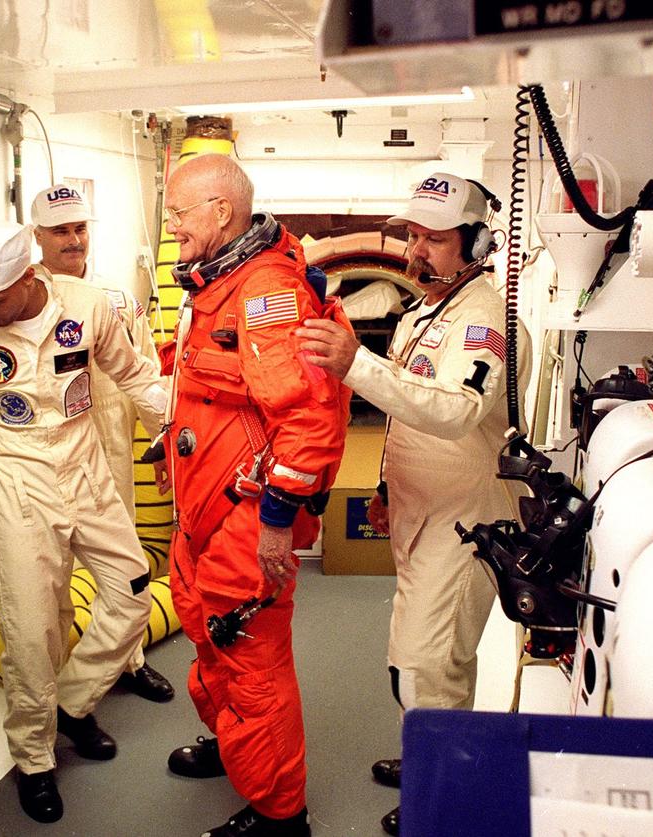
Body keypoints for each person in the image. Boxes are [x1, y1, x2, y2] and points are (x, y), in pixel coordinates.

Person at [297, 172, 530, 836]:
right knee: (409, 657)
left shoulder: (483, 317)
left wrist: (355, 366)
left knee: (433, 665)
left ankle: (443, 796)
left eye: (435, 239)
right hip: (418, 514)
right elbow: (407, 413)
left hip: (465, 522)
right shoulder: (429, 309)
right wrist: (381, 488)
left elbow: (457, 410)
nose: (417, 250)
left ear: (477, 243)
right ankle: (423, 752)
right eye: (414, 235)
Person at [0, 221, 167, 824]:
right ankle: (35, 759)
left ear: (29, 276)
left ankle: (74, 703)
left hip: (87, 472)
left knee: (133, 594)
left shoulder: (85, 307)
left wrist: (172, 435)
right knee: (32, 631)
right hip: (19, 490)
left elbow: (137, 374)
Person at [158, 154, 350, 837]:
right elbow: (213, 393)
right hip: (204, 511)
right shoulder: (218, 283)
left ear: (221, 212)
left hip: (245, 519)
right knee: (211, 639)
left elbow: (307, 419)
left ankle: (280, 813)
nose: (171, 224)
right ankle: (236, 744)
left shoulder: (266, 293)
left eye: (180, 212)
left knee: (253, 663)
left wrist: (277, 522)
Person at [30, 183, 173, 703]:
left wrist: (160, 438)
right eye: (61, 230)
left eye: (80, 229)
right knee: (54, 573)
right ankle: (61, 678)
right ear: (37, 236)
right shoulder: (24, 300)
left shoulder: (117, 299)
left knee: (125, 563)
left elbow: (147, 373)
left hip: (109, 444)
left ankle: (128, 661)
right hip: (46, 457)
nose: (73, 240)